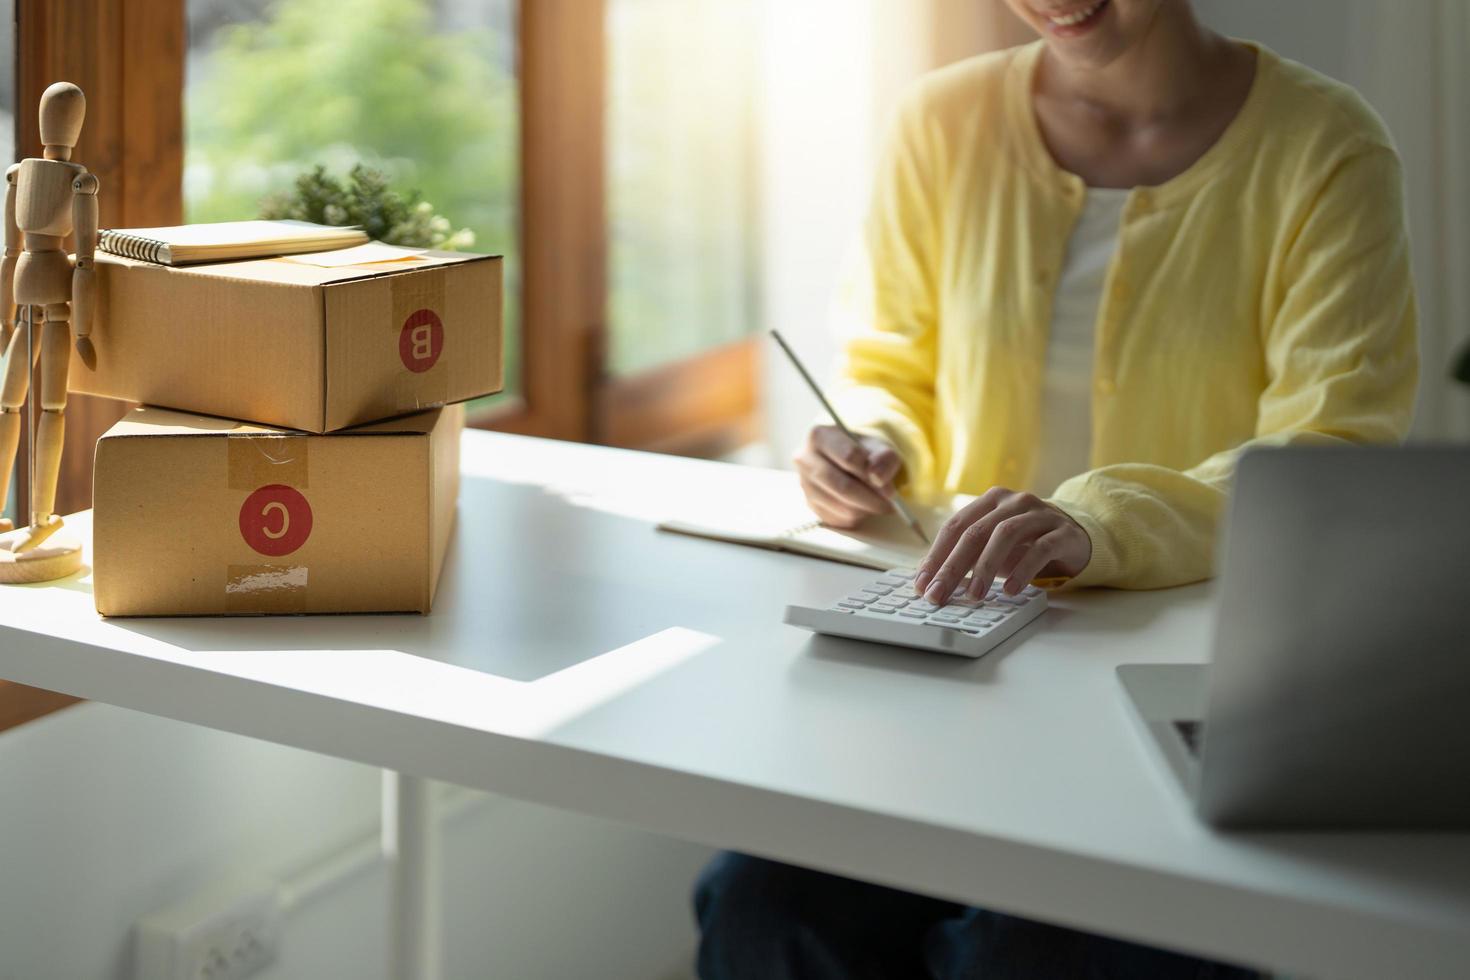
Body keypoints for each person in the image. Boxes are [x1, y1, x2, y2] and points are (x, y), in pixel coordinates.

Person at [694, 0, 1418, 976]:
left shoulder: (1326, 144)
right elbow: (889, 357)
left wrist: (1097, 523)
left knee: (1024, 949)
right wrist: (874, 443)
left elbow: (1329, 443)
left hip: (1178, 677)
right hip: (950, 651)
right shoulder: (939, 120)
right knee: (759, 907)